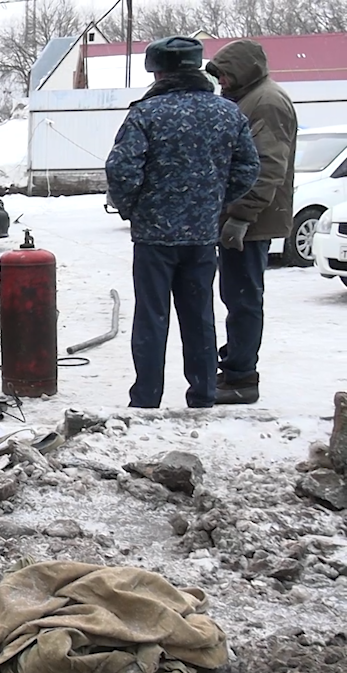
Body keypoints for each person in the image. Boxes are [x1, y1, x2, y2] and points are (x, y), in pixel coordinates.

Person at [105, 35, 260, 409]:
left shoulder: (146, 113)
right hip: (202, 235)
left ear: (157, 72)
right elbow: (248, 167)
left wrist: (133, 209)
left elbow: (121, 170)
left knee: (152, 318)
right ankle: (203, 395)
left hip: (154, 238)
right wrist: (213, 202)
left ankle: (146, 399)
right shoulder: (227, 112)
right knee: (199, 317)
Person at [205, 40, 298, 405]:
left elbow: (267, 166)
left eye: (226, 74)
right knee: (236, 294)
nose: (222, 82)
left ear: (244, 70)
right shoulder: (249, 97)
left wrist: (241, 217)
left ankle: (241, 376)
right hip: (244, 216)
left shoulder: (267, 102)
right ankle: (235, 366)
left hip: (252, 220)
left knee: (243, 297)